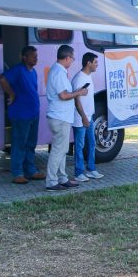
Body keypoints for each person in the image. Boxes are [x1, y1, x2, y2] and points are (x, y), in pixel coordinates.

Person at [45, 45, 89, 191]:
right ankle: (51, 181)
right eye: (72, 58)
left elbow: (64, 93)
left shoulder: (58, 71)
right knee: (58, 150)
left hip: (61, 116)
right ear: (67, 58)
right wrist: (79, 93)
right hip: (60, 117)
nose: (72, 61)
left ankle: (62, 178)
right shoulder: (58, 72)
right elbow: (63, 95)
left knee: (62, 149)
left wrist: (76, 92)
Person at [0, 46, 45, 184]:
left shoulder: (34, 72)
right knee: (19, 144)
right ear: (24, 57)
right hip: (21, 115)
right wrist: (11, 94)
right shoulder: (18, 70)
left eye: (36, 56)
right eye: (32, 56)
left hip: (33, 114)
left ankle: (30, 171)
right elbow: (2, 79)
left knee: (31, 144)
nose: (35, 58)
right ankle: (17, 173)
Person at [71, 52, 103, 182]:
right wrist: (84, 117)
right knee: (79, 146)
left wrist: (89, 116)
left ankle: (91, 169)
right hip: (80, 118)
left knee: (92, 143)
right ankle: (78, 173)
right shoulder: (79, 78)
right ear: (88, 63)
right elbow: (76, 100)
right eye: (95, 62)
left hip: (89, 117)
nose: (97, 65)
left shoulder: (88, 76)